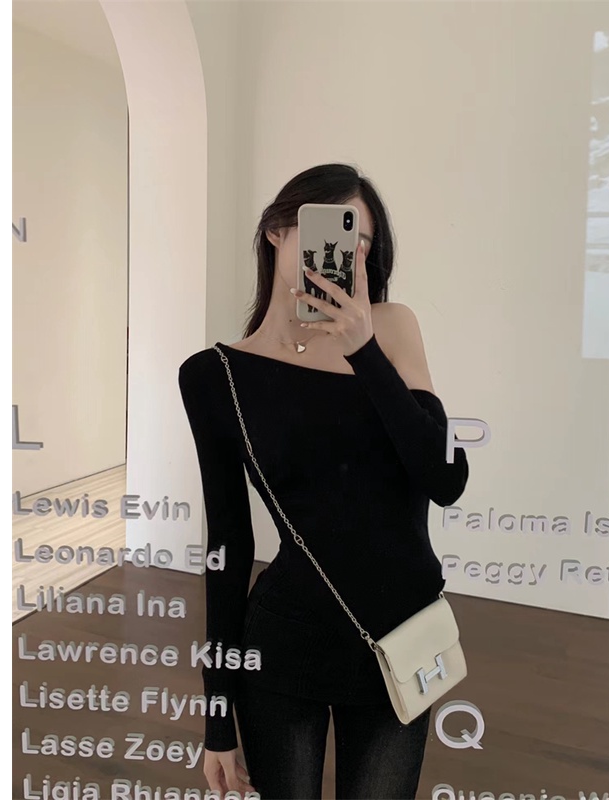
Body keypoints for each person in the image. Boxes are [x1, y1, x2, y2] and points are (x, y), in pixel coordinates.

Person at [178, 163, 469, 799]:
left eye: (360, 242)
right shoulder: (214, 377)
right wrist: (217, 716)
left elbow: (445, 477)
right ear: (277, 232)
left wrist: (364, 350)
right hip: (286, 645)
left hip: (397, 641)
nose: (344, 254)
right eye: (331, 231)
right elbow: (227, 547)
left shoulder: (393, 329)